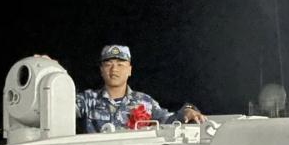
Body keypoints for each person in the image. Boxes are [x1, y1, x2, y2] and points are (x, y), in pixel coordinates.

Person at [75, 45, 206, 133]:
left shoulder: (144, 102)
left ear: (129, 70)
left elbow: (168, 120)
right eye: (108, 65)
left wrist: (187, 111)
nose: (114, 69)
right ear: (101, 70)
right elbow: (63, 108)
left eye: (120, 65)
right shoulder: (87, 100)